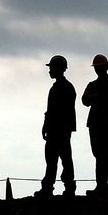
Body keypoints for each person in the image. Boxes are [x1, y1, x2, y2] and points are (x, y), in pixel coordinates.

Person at [34, 55, 77, 197]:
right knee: (54, 159)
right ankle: (57, 187)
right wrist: (46, 125)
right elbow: (51, 110)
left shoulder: (65, 88)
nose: (49, 70)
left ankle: (64, 187)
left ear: (59, 68)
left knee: (61, 159)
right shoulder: (62, 87)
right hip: (57, 129)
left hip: (60, 130)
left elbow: (60, 111)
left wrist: (49, 126)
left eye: (51, 67)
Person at [82, 54, 108, 197]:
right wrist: (101, 96)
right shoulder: (93, 85)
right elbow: (84, 100)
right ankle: (102, 187)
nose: (98, 69)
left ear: (105, 67)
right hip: (96, 123)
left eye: (99, 67)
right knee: (99, 155)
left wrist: (97, 96)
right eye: (97, 68)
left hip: (107, 122)